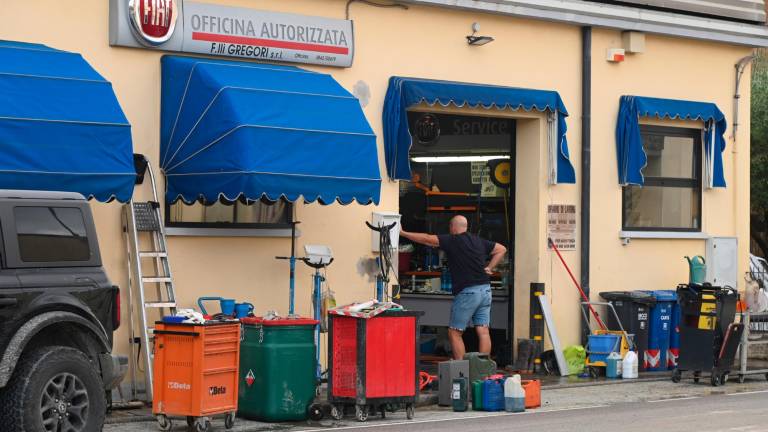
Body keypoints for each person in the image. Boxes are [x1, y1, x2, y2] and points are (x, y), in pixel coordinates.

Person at [400, 215, 507, 360]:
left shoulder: (453, 240)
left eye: (450, 227)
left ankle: (461, 372)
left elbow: (426, 238)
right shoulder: (478, 240)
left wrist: (403, 233)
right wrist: (489, 267)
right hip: (485, 290)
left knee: (454, 332)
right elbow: (501, 249)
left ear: (453, 227)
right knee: (483, 331)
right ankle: (483, 371)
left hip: (468, 293)